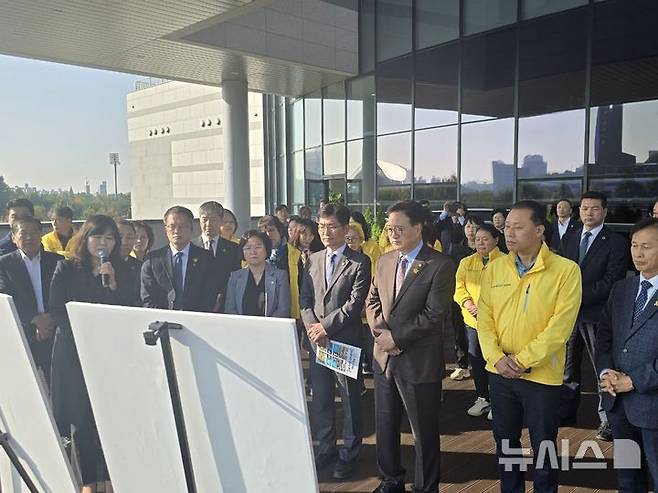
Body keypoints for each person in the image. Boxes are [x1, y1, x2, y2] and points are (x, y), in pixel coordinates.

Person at [477, 200, 582, 493]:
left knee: (543, 444)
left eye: (517, 227)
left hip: (541, 376)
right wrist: (497, 358)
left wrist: (522, 360)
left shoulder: (566, 270)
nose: (508, 233)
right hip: (499, 374)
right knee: (505, 442)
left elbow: (560, 328)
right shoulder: (496, 268)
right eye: (507, 226)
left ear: (539, 231)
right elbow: (484, 320)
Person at [366, 200, 455, 493]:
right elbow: (371, 302)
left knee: (423, 433)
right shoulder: (384, 260)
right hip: (384, 359)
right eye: (390, 228)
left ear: (418, 228)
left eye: (399, 228)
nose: (393, 234)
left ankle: (426, 487)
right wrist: (382, 336)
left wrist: (397, 338)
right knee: (386, 426)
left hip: (418, 360)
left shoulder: (439, 265)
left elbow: (433, 314)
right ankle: (391, 480)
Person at [49, 215, 138, 493]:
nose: (104, 243)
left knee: (109, 415)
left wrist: (112, 285)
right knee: (81, 417)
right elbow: (56, 308)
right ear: (86, 238)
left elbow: (127, 311)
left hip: (109, 354)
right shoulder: (66, 268)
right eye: (98, 237)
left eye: (110, 238)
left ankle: (111, 479)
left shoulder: (122, 270)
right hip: (74, 353)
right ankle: (87, 481)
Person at [300, 203, 371, 480]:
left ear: (345, 229)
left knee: (351, 400)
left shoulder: (359, 261)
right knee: (322, 399)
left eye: (331, 226)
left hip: (344, 341)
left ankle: (349, 454)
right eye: (321, 226)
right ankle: (326, 448)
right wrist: (312, 328)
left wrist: (324, 327)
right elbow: (305, 299)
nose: (325, 231)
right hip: (318, 343)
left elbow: (355, 305)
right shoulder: (313, 259)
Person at [558, 191, 629, 440]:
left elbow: (612, 281)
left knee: (602, 367)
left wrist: (576, 297)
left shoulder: (616, 242)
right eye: (585, 208)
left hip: (597, 314)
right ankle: (566, 411)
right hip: (569, 315)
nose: (589, 212)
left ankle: (608, 419)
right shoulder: (570, 237)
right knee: (568, 368)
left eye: (595, 208)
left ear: (605, 212)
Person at [596, 217, 658, 492]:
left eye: (646, 246)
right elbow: (605, 337)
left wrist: (634, 380)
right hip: (619, 404)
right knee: (628, 479)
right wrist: (606, 372)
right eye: (634, 245)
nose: (638, 253)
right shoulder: (623, 288)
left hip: (652, 405)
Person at [0, 216, 62, 383]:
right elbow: (5, 297)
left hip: (54, 331)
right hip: (23, 333)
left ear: (41, 234)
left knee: (58, 384)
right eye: (23, 233)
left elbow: (66, 294)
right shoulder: (4, 265)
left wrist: (50, 320)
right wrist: (34, 319)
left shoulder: (57, 261)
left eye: (34, 232)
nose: (29, 238)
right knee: (23, 383)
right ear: (13, 238)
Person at [454, 223, 504, 419]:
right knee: (477, 358)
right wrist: (468, 304)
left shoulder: (506, 261)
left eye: (485, 239)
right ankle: (482, 398)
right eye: (477, 239)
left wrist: (487, 309)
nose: (480, 242)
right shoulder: (466, 262)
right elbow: (459, 287)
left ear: (496, 240)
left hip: (497, 321)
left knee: (497, 359)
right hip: (473, 321)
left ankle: (498, 400)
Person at [141, 206, 219, 312]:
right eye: (172, 226)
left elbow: (209, 296)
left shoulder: (206, 258)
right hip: (162, 322)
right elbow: (147, 298)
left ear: (191, 228)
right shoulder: (153, 260)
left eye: (183, 226)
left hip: (196, 322)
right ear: (166, 229)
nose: (177, 231)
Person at [224, 230, 290, 317]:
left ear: (267, 249)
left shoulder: (280, 276)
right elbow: (230, 308)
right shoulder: (235, 277)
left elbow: (283, 309)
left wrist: (264, 327)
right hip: (241, 328)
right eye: (248, 248)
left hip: (271, 328)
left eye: (258, 247)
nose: (253, 252)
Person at [192, 201, 242, 308]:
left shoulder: (233, 248)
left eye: (214, 220)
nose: (208, 224)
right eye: (204, 220)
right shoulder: (191, 247)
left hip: (225, 304)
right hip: (196, 305)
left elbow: (235, 278)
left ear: (220, 221)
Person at [117, 219, 143, 305]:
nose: (124, 242)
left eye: (129, 238)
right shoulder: (100, 264)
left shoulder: (141, 267)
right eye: (120, 237)